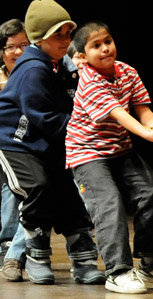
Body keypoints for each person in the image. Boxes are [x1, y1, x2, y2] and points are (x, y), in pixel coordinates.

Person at [67, 21, 153, 294]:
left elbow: (142, 110)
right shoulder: (88, 80)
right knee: (109, 202)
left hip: (119, 150)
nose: (105, 48)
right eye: (96, 45)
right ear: (83, 56)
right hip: (86, 154)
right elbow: (121, 115)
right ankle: (117, 271)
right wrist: (147, 135)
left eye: (107, 41)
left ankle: (149, 261)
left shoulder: (127, 72)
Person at [0, 0, 105, 285]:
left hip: (47, 143)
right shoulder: (33, 69)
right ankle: (36, 255)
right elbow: (45, 117)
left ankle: (83, 261)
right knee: (38, 189)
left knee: (70, 194)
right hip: (16, 143)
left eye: (68, 34)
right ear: (38, 37)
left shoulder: (59, 66)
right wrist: (86, 132)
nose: (66, 40)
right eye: (58, 35)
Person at [0, 18, 29, 279]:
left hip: (27, 144)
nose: (18, 52)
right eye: (11, 47)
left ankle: (11, 245)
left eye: (24, 45)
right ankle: (7, 242)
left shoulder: (37, 74)